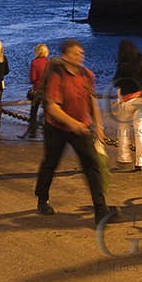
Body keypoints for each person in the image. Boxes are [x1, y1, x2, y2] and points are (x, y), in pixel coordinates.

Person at [35, 39, 118, 226]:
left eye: (81, 53)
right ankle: (42, 198)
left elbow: (91, 100)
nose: (80, 56)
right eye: (75, 54)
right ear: (65, 56)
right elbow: (52, 107)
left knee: (92, 165)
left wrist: (98, 125)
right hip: (56, 128)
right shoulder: (57, 76)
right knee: (51, 162)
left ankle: (101, 210)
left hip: (80, 127)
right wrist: (73, 124)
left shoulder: (86, 75)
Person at [110, 39, 142, 171]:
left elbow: (116, 83)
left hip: (127, 101)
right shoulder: (141, 63)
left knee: (123, 129)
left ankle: (124, 157)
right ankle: (139, 162)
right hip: (140, 100)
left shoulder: (122, 66)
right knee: (139, 132)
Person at [21, 44, 49, 139]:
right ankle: (46, 130)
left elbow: (33, 78)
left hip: (37, 89)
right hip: (46, 89)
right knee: (46, 111)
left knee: (33, 111)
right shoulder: (48, 62)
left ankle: (32, 131)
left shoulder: (35, 62)